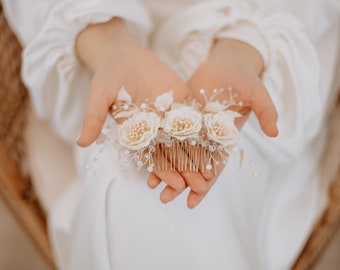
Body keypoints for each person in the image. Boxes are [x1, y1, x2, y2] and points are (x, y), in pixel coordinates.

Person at [3, 0, 340, 269]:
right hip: (97, 48)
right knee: (131, 181)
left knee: (192, 186)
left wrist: (243, 48)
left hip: (257, 43)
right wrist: (107, 43)